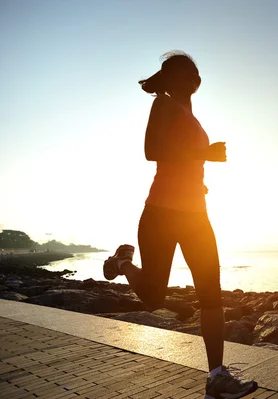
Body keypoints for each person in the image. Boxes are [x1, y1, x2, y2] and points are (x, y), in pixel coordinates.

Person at [102, 51, 258, 399]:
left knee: (210, 291)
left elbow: (182, 162)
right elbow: (151, 150)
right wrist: (205, 154)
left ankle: (216, 377)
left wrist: (198, 179)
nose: (192, 77)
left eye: (194, 73)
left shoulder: (191, 116)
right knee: (154, 296)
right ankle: (122, 263)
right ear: (170, 79)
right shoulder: (163, 104)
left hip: (196, 214)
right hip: (161, 212)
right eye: (184, 72)